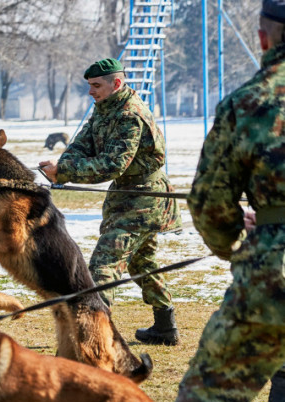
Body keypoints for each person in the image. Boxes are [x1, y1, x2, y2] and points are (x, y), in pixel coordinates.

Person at [170, 2, 285, 402]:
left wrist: (240, 246)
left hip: (271, 274)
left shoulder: (249, 102)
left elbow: (210, 204)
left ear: (263, 39)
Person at [39, 58, 182, 346]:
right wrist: (61, 166)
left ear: (116, 84)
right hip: (126, 196)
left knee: (104, 264)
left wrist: (64, 172)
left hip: (145, 199)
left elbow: (113, 165)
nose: (91, 91)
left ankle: (92, 335)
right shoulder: (106, 107)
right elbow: (83, 142)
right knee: (142, 263)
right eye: (89, 86)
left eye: (96, 85)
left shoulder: (130, 115)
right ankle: (165, 327)